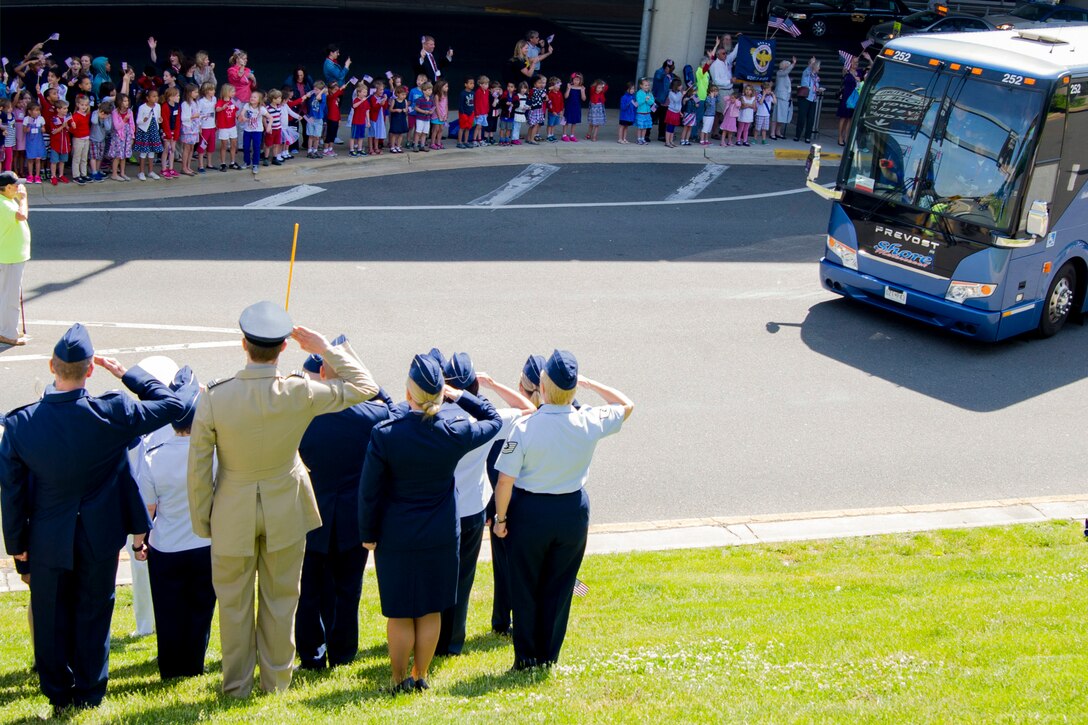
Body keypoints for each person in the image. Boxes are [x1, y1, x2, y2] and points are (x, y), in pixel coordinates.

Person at [187, 302, 379, 698]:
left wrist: (203, 519)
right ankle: (275, 683)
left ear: (244, 344)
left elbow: (199, 469)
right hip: (285, 506)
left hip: (232, 509)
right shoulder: (299, 390)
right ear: (283, 348)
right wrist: (325, 347)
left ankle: (237, 685)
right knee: (281, 600)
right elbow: (365, 387)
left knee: (234, 605)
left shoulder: (214, 397)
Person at [0, 323, 184, 714]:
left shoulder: (20, 425)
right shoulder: (113, 411)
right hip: (99, 537)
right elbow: (174, 405)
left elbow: (12, 494)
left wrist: (17, 549)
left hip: (48, 540)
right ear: (90, 370)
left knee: (50, 617)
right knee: (94, 614)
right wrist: (127, 374)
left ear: (52, 366)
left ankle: (58, 693)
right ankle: (89, 691)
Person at [359, 353, 502, 692]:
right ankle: (421, 675)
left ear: (408, 393)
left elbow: (369, 492)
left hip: (397, 534)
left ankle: (398, 679)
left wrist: (367, 533)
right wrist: (459, 395)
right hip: (440, 532)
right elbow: (493, 419)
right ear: (441, 393)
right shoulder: (455, 430)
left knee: (400, 611)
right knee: (430, 609)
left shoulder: (386, 434)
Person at [492, 350, 633, 670]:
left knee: (526, 585)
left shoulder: (526, 427)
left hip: (530, 512)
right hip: (572, 511)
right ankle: (548, 656)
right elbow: (626, 405)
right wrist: (592, 383)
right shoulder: (589, 420)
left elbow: (504, 482)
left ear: (541, 387)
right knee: (559, 586)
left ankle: (526, 658)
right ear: (573, 390)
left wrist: (501, 519)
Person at [295, 336, 393, 669]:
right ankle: (343, 654)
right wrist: (362, 375)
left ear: (322, 373)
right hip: (353, 517)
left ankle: (311, 652)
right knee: (347, 591)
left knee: (309, 591)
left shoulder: (305, 415)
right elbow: (390, 404)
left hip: (312, 513)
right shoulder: (372, 415)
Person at [435, 352, 534, 657]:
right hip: (472, 511)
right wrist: (491, 386)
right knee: (462, 580)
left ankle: (430, 638)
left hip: (438, 508)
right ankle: (452, 643)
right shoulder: (486, 421)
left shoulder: (434, 418)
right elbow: (528, 408)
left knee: (437, 576)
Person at [139, 365, 218, 679]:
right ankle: (193, 665)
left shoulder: (153, 454)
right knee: (200, 609)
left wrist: (139, 541)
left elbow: (149, 509)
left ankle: (171, 668)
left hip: (166, 546)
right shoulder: (213, 454)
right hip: (205, 544)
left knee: (168, 609)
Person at [0, 171, 29, 346]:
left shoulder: (6, 200)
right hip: (9, 257)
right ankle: (8, 333)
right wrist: (23, 198)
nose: (19, 187)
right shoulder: (5, 204)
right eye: (16, 184)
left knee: (8, 294)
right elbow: (22, 215)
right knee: (10, 297)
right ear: (8, 187)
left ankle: (5, 329)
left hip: (11, 256)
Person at [794, 57, 823, 144]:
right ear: (814, 67)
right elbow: (807, 70)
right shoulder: (806, 73)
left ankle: (807, 137)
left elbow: (816, 87)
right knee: (801, 117)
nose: (819, 68)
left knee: (811, 119)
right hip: (805, 98)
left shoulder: (817, 77)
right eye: (818, 66)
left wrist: (818, 90)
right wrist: (811, 63)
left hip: (813, 99)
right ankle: (797, 135)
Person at [838, 57, 861, 146]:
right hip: (846, 97)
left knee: (850, 119)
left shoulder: (859, 72)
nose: (856, 64)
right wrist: (845, 70)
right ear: (850, 63)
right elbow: (843, 74)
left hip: (854, 98)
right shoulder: (847, 71)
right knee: (843, 117)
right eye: (854, 62)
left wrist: (869, 58)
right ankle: (840, 136)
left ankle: (846, 137)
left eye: (857, 62)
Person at [651, 60, 675, 142]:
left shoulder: (671, 75)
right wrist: (665, 73)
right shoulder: (659, 72)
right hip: (657, 99)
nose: (671, 69)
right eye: (670, 67)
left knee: (663, 119)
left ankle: (661, 135)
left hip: (666, 100)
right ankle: (646, 135)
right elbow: (658, 77)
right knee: (652, 118)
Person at [772, 57, 796, 141]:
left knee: (782, 116)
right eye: (788, 65)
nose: (788, 67)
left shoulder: (785, 75)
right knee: (776, 115)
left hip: (785, 97)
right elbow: (786, 71)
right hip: (780, 97)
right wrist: (793, 63)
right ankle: (772, 133)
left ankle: (778, 132)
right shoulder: (780, 72)